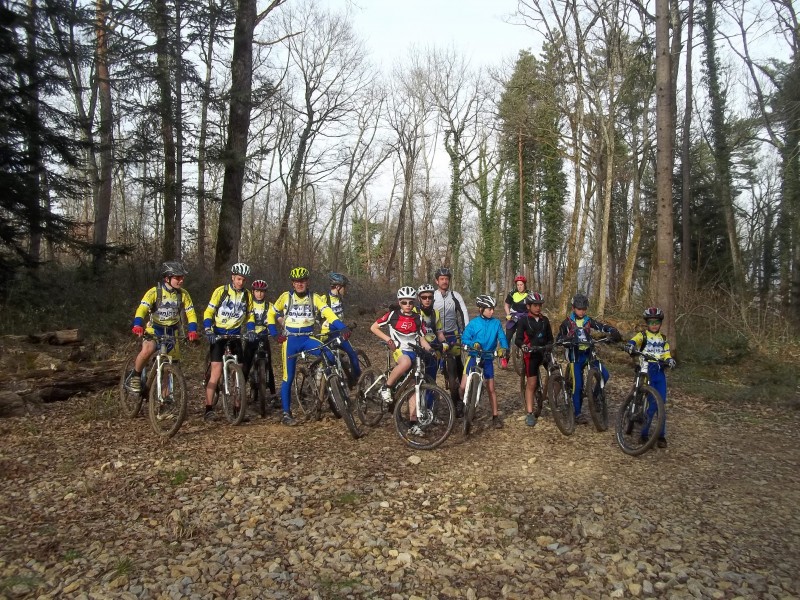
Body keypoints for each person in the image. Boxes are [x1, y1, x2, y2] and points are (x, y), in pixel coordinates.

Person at [267, 267, 347, 426]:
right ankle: (286, 413)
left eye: (302, 281)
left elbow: (329, 313)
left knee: (329, 355)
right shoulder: (285, 297)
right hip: (290, 340)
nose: (299, 284)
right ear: (293, 283)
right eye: (297, 281)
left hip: (308, 338)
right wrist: (274, 333)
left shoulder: (314, 298)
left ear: (307, 282)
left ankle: (329, 390)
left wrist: (342, 327)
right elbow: (271, 313)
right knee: (288, 377)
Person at [370, 286, 434, 435]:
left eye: (411, 302)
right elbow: (374, 327)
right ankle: (386, 387)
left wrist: (430, 349)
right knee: (405, 363)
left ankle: (413, 423)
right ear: (399, 302)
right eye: (404, 302)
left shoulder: (417, 318)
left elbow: (421, 337)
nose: (408, 305)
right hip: (399, 350)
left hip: (414, 352)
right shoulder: (393, 315)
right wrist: (388, 339)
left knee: (414, 386)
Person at [128, 261, 199, 391]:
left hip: (172, 331)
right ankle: (136, 376)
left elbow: (191, 313)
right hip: (155, 329)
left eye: (182, 277)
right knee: (148, 350)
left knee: (171, 367)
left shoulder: (184, 294)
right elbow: (142, 309)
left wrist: (192, 330)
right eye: (178, 277)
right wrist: (137, 324)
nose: (181, 280)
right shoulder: (154, 292)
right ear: (167, 278)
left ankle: (165, 399)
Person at [202, 263, 257, 421]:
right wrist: (208, 330)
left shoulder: (247, 295)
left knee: (238, 373)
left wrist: (251, 330)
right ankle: (208, 409)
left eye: (244, 280)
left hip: (235, 335)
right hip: (218, 335)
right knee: (216, 371)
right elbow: (209, 312)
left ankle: (237, 408)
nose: (241, 282)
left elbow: (250, 315)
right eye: (238, 279)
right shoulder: (221, 291)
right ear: (233, 277)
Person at [556, 293, 621, 424]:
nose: (582, 311)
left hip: (589, 354)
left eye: (584, 309)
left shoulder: (588, 320)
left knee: (605, 375)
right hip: (575, 357)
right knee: (578, 385)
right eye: (579, 309)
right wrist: (565, 340)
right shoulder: (566, 323)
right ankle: (577, 413)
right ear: (573, 308)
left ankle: (595, 396)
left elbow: (601, 326)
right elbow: (558, 338)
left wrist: (612, 330)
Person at [624, 307, 676, 448]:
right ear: (647, 323)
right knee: (651, 403)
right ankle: (644, 434)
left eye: (657, 322)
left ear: (660, 323)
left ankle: (661, 435)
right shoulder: (643, 335)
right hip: (646, 369)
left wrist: (669, 359)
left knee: (661, 403)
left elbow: (666, 353)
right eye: (651, 322)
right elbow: (633, 341)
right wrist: (630, 345)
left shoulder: (663, 339)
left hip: (659, 370)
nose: (654, 325)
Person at [460, 295, 509, 428]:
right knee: (462, 387)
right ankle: (463, 404)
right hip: (473, 356)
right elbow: (465, 338)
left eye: (493, 309)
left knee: (491, 388)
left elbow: (502, 338)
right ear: (481, 309)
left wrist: (503, 348)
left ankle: (495, 416)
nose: (492, 311)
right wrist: (472, 344)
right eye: (489, 309)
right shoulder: (474, 323)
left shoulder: (496, 323)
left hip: (487, 358)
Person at [433, 266, 470, 416]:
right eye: (442, 279)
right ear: (437, 281)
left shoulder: (455, 296)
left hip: (452, 334)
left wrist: (466, 331)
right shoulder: (432, 296)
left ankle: (458, 401)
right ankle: (430, 399)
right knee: (432, 365)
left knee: (458, 366)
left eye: (447, 279)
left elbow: (464, 312)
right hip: (436, 336)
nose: (444, 281)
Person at [515, 292, 554, 427]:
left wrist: (550, 345)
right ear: (528, 306)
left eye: (540, 305)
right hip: (531, 355)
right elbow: (518, 339)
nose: (538, 308)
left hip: (544, 352)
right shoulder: (523, 321)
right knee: (531, 383)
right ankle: (530, 413)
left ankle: (551, 398)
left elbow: (550, 338)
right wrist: (523, 346)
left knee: (555, 374)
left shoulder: (545, 320)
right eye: (535, 305)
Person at [318, 272, 362, 385]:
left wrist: (346, 326)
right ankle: (323, 383)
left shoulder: (340, 299)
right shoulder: (323, 299)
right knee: (327, 360)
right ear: (338, 287)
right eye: (344, 287)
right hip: (327, 334)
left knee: (352, 353)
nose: (345, 290)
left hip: (339, 333)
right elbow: (316, 316)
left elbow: (339, 317)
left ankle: (358, 379)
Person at [243, 279, 276, 399]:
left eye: (262, 291)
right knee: (246, 365)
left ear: (265, 292)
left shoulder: (269, 306)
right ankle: (240, 393)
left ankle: (273, 394)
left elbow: (276, 318)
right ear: (253, 292)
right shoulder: (248, 304)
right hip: (250, 338)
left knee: (269, 365)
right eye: (257, 291)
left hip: (263, 337)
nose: (260, 294)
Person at [415, 283, 449, 384]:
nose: (427, 300)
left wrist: (444, 342)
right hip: (418, 347)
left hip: (433, 348)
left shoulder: (436, 313)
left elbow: (439, 332)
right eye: (424, 297)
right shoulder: (413, 311)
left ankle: (430, 394)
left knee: (431, 379)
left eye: (430, 297)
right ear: (419, 298)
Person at [502, 274, 529, 369]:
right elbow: (506, 305)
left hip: (524, 317)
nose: (519, 287)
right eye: (518, 285)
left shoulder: (529, 294)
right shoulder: (512, 293)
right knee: (508, 337)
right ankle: (505, 357)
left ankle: (527, 356)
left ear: (524, 285)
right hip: (513, 316)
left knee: (527, 336)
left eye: (521, 285)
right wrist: (508, 314)